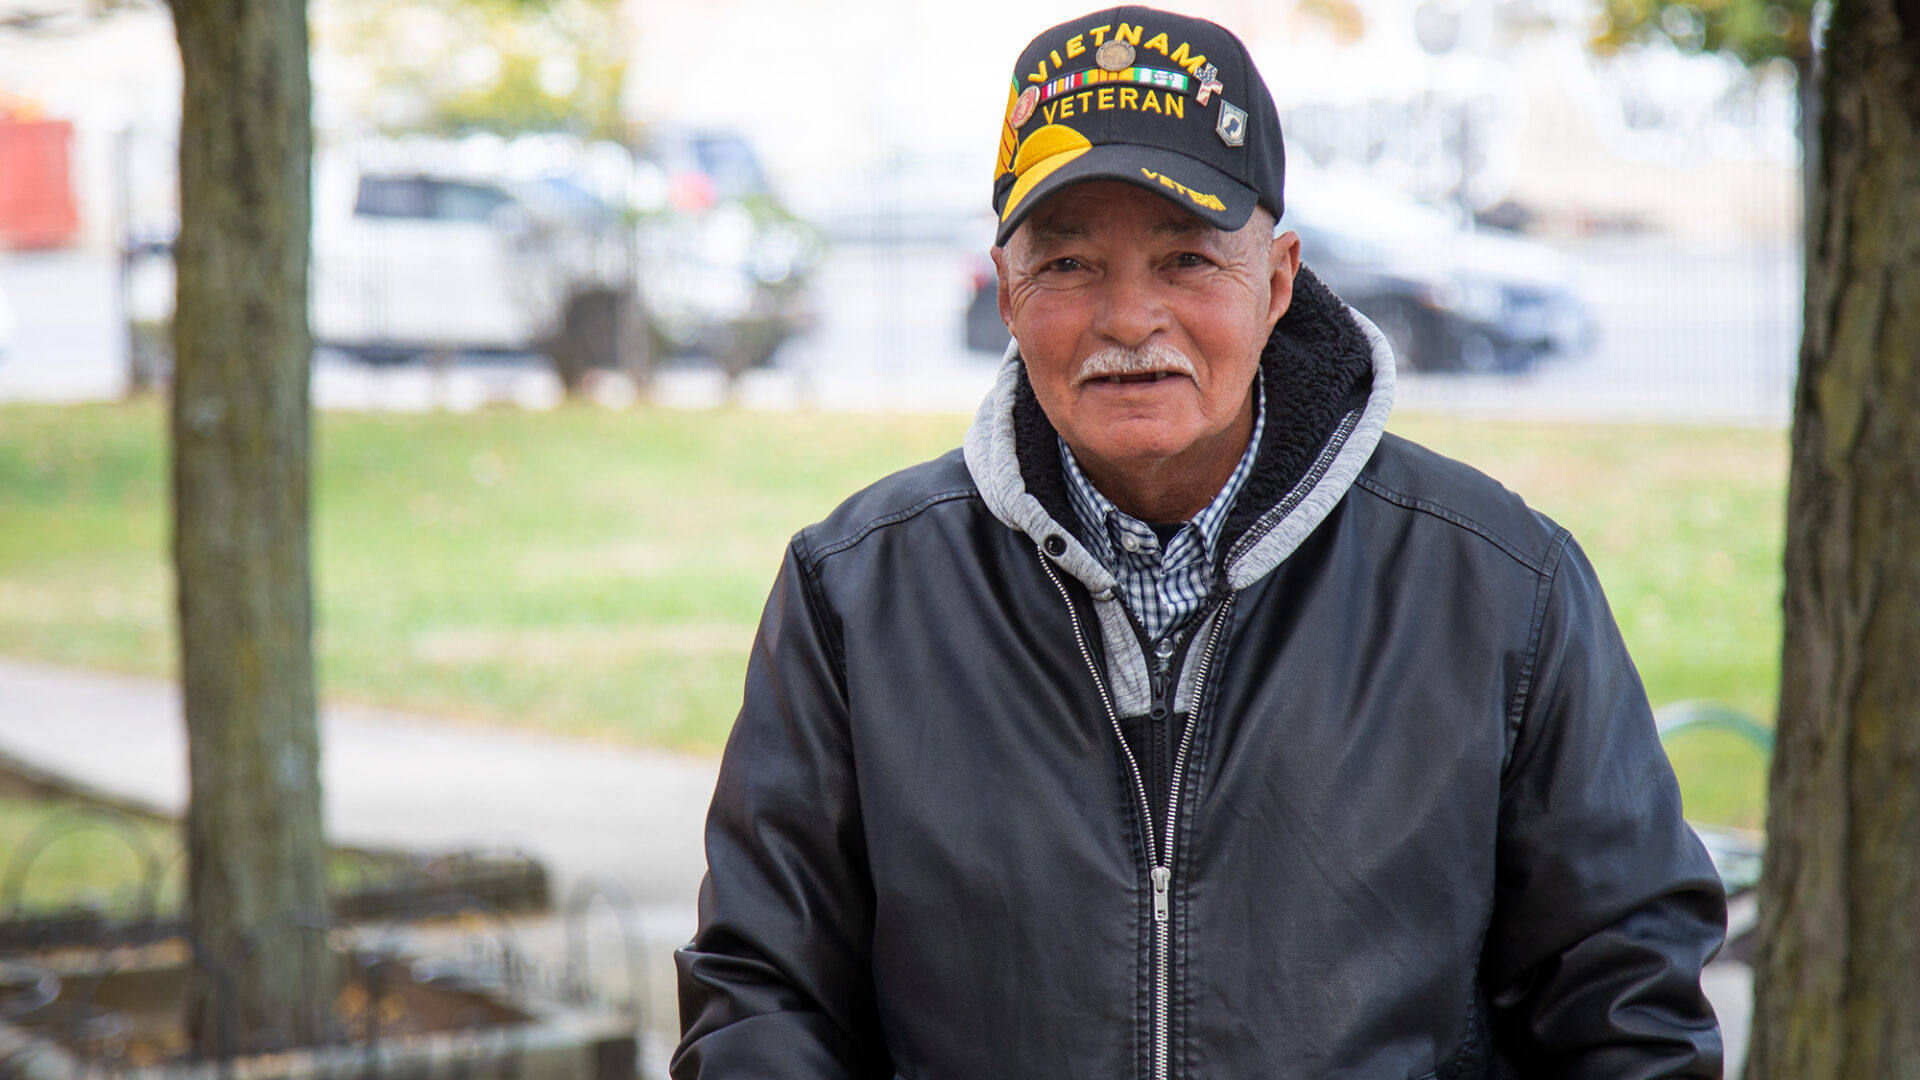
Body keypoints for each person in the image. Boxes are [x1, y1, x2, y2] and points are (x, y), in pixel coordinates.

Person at [673, 7, 1726, 1078]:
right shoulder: (857, 593)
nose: (1130, 320)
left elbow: (1626, 1007)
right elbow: (764, 997)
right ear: (1005, 288)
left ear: (1276, 281)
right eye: (1071, 264)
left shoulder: (1501, 587)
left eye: (1185, 259)